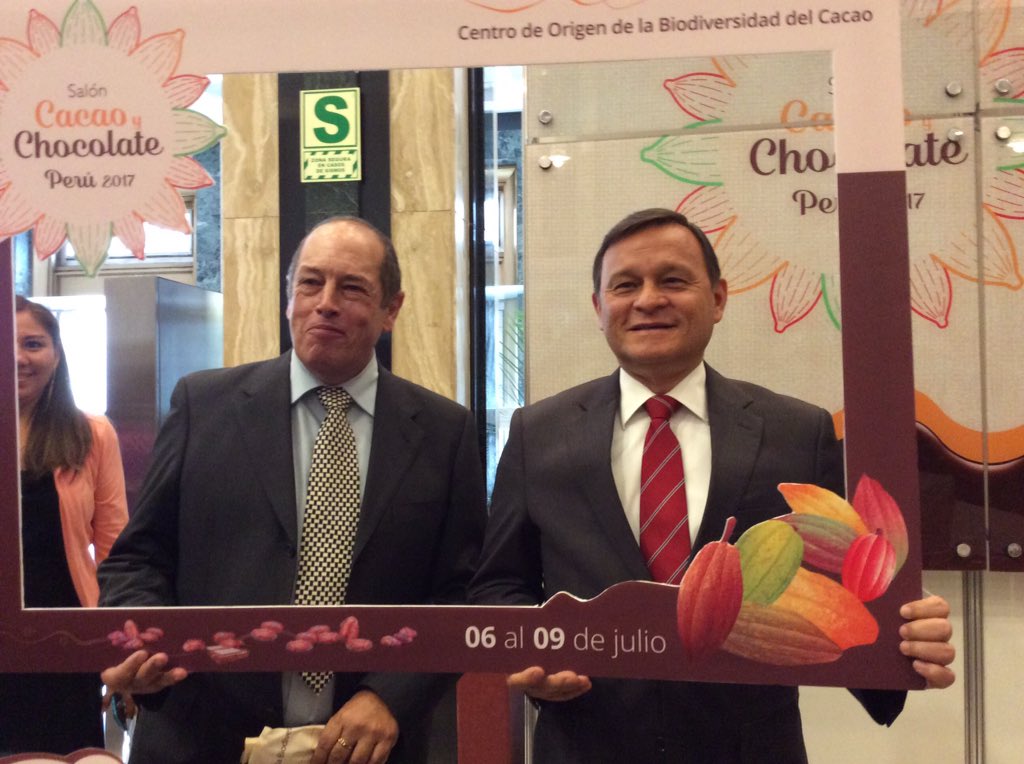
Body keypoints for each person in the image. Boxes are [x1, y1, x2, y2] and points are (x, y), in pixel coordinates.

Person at [469, 208, 956, 763]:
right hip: (585, 745)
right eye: (625, 285)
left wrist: (902, 645)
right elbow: (500, 585)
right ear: (599, 307)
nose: (648, 299)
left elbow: (840, 591)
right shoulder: (537, 434)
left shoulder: (799, 433)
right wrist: (534, 661)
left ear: (719, 298)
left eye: (673, 280)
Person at [98, 216, 487, 764]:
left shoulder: (444, 433)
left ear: (391, 309)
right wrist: (146, 640)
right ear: (289, 299)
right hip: (202, 736)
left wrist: (390, 695)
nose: (325, 303)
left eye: (352, 288)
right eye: (310, 283)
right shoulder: (203, 407)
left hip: (370, 746)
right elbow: (137, 560)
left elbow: (460, 592)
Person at [1, 296, 129, 754]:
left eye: (33, 344)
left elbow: (117, 551)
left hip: (67, 640)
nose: (19, 357)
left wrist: (118, 647)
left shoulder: (92, 434)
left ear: (56, 354)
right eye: (7, 343)